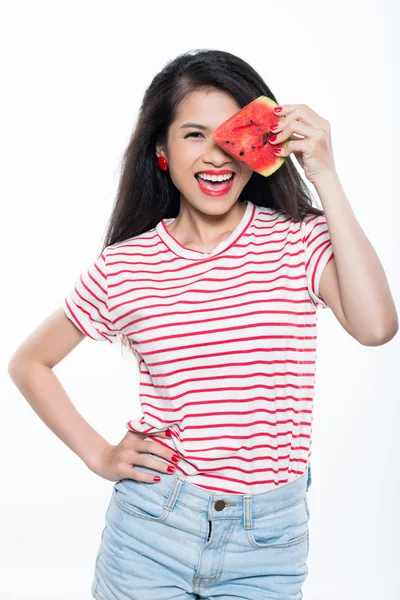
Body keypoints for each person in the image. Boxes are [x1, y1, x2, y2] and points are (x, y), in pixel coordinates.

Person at [8, 49, 398, 600]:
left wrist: (325, 175)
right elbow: (29, 362)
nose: (218, 155)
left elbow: (377, 326)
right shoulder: (126, 266)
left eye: (234, 134)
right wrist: (100, 455)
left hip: (269, 541)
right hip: (152, 528)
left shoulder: (297, 240)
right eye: (194, 134)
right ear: (162, 150)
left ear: (262, 148)